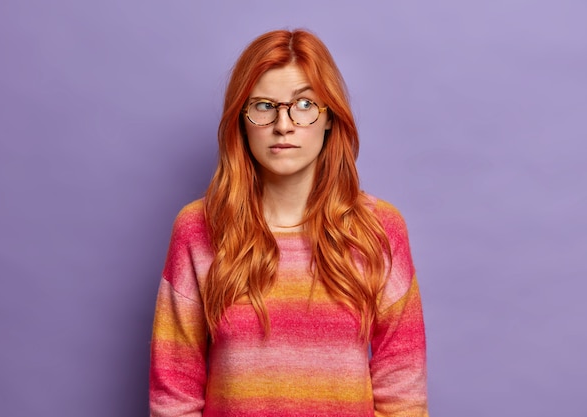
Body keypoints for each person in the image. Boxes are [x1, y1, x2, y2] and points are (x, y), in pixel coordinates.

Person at [149, 29, 428, 417]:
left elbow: (403, 395)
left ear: (330, 117)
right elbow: (174, 396)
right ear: (241, 120)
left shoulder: (378, 230)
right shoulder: (198, 229)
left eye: (304, 105)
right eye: (264, 106)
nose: (283, 125)